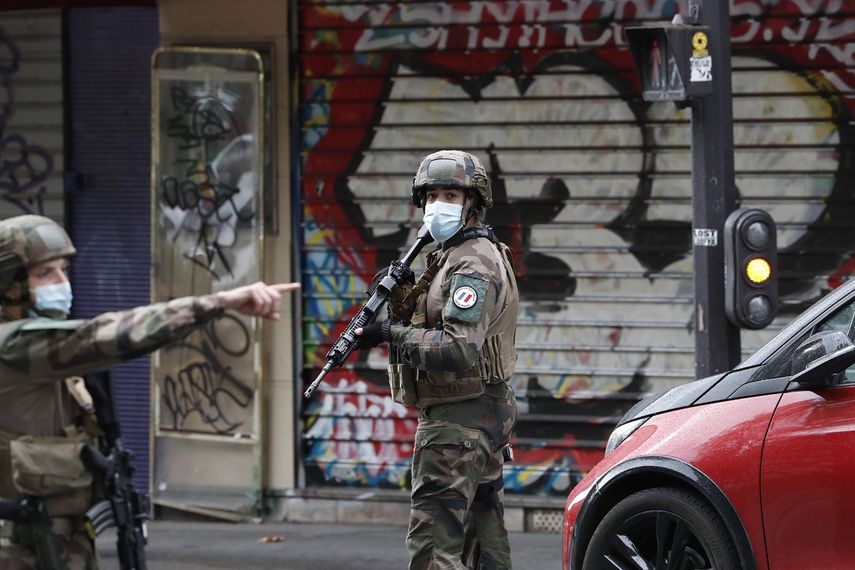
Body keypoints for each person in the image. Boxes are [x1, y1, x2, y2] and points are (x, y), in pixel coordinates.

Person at [0, 214, 300, 569]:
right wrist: (217, 303)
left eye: (63, 269)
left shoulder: (43, 353)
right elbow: (105, 336)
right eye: (45, 274)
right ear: (11, 286)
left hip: (58, 537)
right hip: (20, 545)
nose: (62, 282)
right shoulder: (16, 345)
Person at [356, 150, 519, 569]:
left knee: (433, 546)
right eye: (430, 196)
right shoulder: (454, 255)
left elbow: (458, 348)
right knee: (483, 543)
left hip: (458, 420)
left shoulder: (471, 263)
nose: (437, 205)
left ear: (473, 202)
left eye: (450, 194)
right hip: (477, 412)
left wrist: (388, 334)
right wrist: (399, 301)